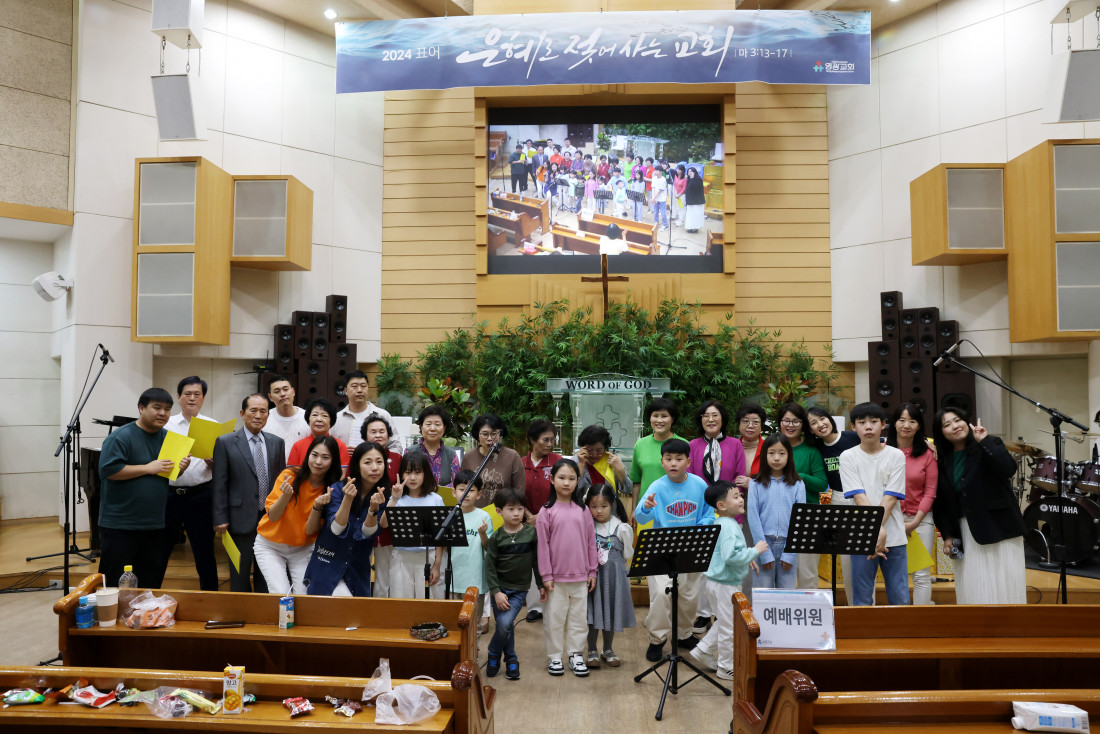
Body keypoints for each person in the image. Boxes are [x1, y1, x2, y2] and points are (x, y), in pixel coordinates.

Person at [931, 408, 1026, 604]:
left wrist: (984, 441)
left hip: (999, 527)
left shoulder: (989, 444)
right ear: (941, 433)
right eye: (947, 425)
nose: (954, 426)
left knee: (1004, 584)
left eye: (957, 420)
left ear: (967, 422)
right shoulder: (942, 461)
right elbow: (940, 502)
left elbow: (1008, 469)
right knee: (973, 586)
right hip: (965, 531)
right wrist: (948, 534)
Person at [634, 438, 715, 663]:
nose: (673, 463)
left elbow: (708, 514)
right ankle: (657, 639)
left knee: (689, 595)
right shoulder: (657, 486)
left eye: (678, 459)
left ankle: (683, 635)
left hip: (690, 547)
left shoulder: (699, 484)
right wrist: (645, 507)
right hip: (662, 550)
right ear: (662, 462)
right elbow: (640, 517)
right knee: (661, 594)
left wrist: (699, 531)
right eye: (668, 459)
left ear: (688, 461)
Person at [97, 387, 180, 588]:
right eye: (157, 408)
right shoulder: (121, 436)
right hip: (121, 524)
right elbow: (108, 470)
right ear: (141, 408)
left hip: (154, 524)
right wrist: (147, 468)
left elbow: (166, 473)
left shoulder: (169, 438)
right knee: (114, 583)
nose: (163, 413)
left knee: (150, 583)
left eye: (167, 409)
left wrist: (180, 468)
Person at [690, 480, 769, 681]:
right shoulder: (729, 527)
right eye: (735, 496)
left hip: (718, 583)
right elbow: (730, 556)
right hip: (725, 585)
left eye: (740, 495)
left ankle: (702, 650)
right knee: (730, 628)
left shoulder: (723, 523)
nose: (741, 499)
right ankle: (726, 667)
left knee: (727, 621)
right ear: (721, 505)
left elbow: (730, 552)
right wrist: (754, 551)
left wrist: (747, 556)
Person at [213, 393, 286, 593]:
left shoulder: (277, 443)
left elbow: (280, 482)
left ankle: (263, 610)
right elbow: (219, 483)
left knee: (267, 574)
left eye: (263, 411)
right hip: (238, 519)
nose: (258, 415)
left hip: (269, 520)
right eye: (253, 410)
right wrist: (220, 517)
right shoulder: (225, 442)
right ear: (242, 413)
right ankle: (241, 609)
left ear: (268, 415)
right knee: (239, 574)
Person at [840, 402, 909, 606]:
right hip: (860, 536)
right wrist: (876, 530)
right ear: (853, 427)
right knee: (862, 598)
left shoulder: (896, 455)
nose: (868, 427)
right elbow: (859, 497)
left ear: (883, 424)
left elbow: (890, 498)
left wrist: (876, 529)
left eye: (874, 422)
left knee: (900, 597)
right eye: (862, 422)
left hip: (894, 536)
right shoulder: (847, 457)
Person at [255, 435, 340, 595]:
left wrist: (317, 507)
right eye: (314, 455)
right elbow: (273, 516)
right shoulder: (290, 475)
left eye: (325, 457)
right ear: (308, 455)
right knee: (280, 593)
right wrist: (285, 496)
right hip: (270, 546)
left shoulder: (332, 489)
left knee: (304, 596)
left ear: (333, 461)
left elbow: (310, 530)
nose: (318, 462)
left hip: (303, 549)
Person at [303, 441, 391, 596]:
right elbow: (336, 529)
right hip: (328, 563)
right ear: (357, 465)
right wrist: (348, 499)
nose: (375, 468)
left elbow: (368, 532)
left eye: (379, 462)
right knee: (336, 603)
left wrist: (373, 509)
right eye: (367, 462)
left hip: (357, 570)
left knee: (355, 609)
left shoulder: (384, 495)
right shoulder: (338, 489)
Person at [537, 458, 598, 677]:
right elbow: (542, 547)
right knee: (554, 619)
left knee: (579, 619)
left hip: (581, 577)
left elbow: (591, 542)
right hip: (555, 579)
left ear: (577, 481)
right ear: (552, 479)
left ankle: (575, 654)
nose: (566, 483)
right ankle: (555, 656)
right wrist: (546, 575)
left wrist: (592, 571)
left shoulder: (583, 510)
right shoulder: (546, 512)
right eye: (561, 478)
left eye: (571, 478)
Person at [162, 376, 219, 591]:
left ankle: (211, 595)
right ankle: (150, 592)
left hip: (201, 495)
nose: (192, 398)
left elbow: (224, 465)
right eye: (187, 394)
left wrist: (215, 463)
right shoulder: (166, 424)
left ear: (203, 398)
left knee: (204, 550)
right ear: (178, 397)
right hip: (169, 495)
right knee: (160, 548)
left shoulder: (213, 426)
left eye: (197, 394)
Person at [486, 486, 544, 681]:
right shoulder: (496, 538)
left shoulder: (531, 533)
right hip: (499, 591)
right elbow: (490, 567)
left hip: (519, 590)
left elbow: (536, 561)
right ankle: (511, 658)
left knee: (504, 624)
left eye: (520, 509)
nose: (517, 513)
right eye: (511, 509)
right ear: (499, 511)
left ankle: (493, 652)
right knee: (506, 625)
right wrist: (496, 592)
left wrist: (541, 584)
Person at [805, 406, 859, 604]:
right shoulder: (817, 449)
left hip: (864, 497)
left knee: (865, 558)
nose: (820, 424)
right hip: (838, 499)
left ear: (830, 419)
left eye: (822, 418)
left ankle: (867, 608)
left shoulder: (852, 437)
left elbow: (881, 446)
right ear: (810, 430)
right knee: (847, 560)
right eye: (814, 423)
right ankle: (853, 607)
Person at [886, 403, 938, 605]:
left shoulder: (927, 453)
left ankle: (920, 619)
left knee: (921, 575)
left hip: (920, 520)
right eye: (902, 420)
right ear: (894, 423)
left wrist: (915, 522)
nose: (906, 425)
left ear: (919, 426)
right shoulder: (883, 451)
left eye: (912, 421)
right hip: (889, 519)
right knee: (893, 574)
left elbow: (930, 492)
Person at [776, 402, 828, 589]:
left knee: (807, 573)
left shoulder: (811, 450)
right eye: (786, 421)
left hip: (809, 517)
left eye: (796, 421)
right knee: (781, 573)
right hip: (777, 517)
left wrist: (798, 476)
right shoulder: (772, 447)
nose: (790, 425)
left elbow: (821, 484)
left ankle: (809, 606)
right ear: (779, 422)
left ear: (803, 425)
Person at [584, 483, 635, 670]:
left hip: (614, 578)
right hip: (592, 579)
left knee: (610, 611)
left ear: (612, 504)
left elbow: (627, 554)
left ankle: (607, 649)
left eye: (603, 506)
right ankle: (591, 650)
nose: (599, 511)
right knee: (592, 614)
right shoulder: (586, 526)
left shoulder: (621, 528)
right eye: (594, 506)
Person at [747, 434, 806, 591]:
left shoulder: (798, 484)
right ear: (764, 454)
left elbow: (800, 520)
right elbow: (753, 517)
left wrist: (790, 553)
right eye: (771, 453)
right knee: (763, 595)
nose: (777, 458)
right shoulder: (755, 483)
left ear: (789, 455)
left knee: (787, 596)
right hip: (763, 544)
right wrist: (763, 553)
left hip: (788, 545)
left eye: (782, 453)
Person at [389, 452, 447, 599]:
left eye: (417, 472)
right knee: (401, 602)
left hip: (427, 557)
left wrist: (437, 564)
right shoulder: (397, 498)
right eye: (408, 472)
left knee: (426, 602)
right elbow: (383, 523)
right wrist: (394, 499)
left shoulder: (436, 499)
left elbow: (439, 537)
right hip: (401, 557)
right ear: (401, 474)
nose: (413, 477)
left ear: (425, 473)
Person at [521, 418, 560, 621]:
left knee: (552, 562)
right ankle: (535, 607)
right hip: (527, 522)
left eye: (552, 440)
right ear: (532, 440)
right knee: (532, 562)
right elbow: (516, 493)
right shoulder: (521, 464)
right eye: (545, 440)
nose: (549, 444)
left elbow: (563, 492)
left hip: (554, 521)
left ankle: (553, 606)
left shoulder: (557, 462)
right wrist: (528, 516)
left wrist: (542, 515)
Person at [360, 413, 401, 597]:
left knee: (385, 576)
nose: (378, 435)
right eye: (373, 431)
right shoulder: (359, 457)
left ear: (389, 435)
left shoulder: (397, 458)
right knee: (361, 571)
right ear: (365, 436)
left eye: (382, 431)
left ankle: (382, 608)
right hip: (363, 522)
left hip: (388, 524)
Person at [630, 398, 685, 523]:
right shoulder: (640, 445)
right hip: (647, 509)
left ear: (672, 419)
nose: (659, 420)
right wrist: (634, 509)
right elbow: (637, 482)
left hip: (675, 509)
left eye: (664, 416)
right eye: (655, 416)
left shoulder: (683, 445)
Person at [448, 470, 492, 609]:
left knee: (473, 619)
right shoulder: (449, 516)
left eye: (471, 490)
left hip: (475, 578)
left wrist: (483, 534)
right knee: (453, 618)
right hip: (453, 578)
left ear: (479, 494)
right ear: (454, 492)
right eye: (462, 489)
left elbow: (489, 547)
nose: (466, 494)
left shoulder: (484, 517)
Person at [461, 414, 525, 508]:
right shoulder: (469, 457)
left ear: (500, 435)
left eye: (494, 434)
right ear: (477, 435)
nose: (490, 439)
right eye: (485, 434)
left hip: (502, 513)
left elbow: (519, 490)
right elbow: (462, 487)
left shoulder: (512, 457)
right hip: (474, 513)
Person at [332, 371, 402, 453]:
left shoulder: (382, 415)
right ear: (346, 391)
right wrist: (342, 452)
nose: (359, 390)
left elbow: (396, 446)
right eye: (354, 386)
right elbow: (328, 448)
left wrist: (379, 455)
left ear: (368, 388)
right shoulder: (336, 419)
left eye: (363, 386)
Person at [286, 398, 350, 471]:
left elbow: (342, 474)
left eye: (324, 416)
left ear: (331, 421)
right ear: (308, 420)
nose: (319, 419)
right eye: (315, 415)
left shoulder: (340, 446)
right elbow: (290, 473)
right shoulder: (298, 446)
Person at [575, 424, 631, 497]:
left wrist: (620, 471)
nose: (594, 454)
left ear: (605, 448)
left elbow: (628, 490)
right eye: (590, 450)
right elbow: (575, 492)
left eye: (599, 450)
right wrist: (581, 465)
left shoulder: (614, 461)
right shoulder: (575, 462)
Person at [263, 377, 309, 462]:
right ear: (270, 397)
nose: (282, 394)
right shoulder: (264, 419)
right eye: (277, 391)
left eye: (285, 389)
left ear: (293, 391)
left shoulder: (308, 417)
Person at [415, 404, 462, 488]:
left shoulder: (451, 455)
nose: (433, 428)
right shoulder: (410, 452)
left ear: (444, 428)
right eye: (428, 424)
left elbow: (457, 485)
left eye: (437, 424)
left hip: (444, 496)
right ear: (421, 427)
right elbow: (405, 481)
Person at [684, 166, 705, 233]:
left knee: (696, 215)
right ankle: (691, 227)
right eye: (688, 172)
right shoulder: (690, 179)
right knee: (691, 215)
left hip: (697, 202)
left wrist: (692, 178)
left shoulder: (698, 179)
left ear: (694, 172)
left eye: (691, 171)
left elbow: (695, 187)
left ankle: (695, 228)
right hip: (691, 201)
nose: (689, 173)